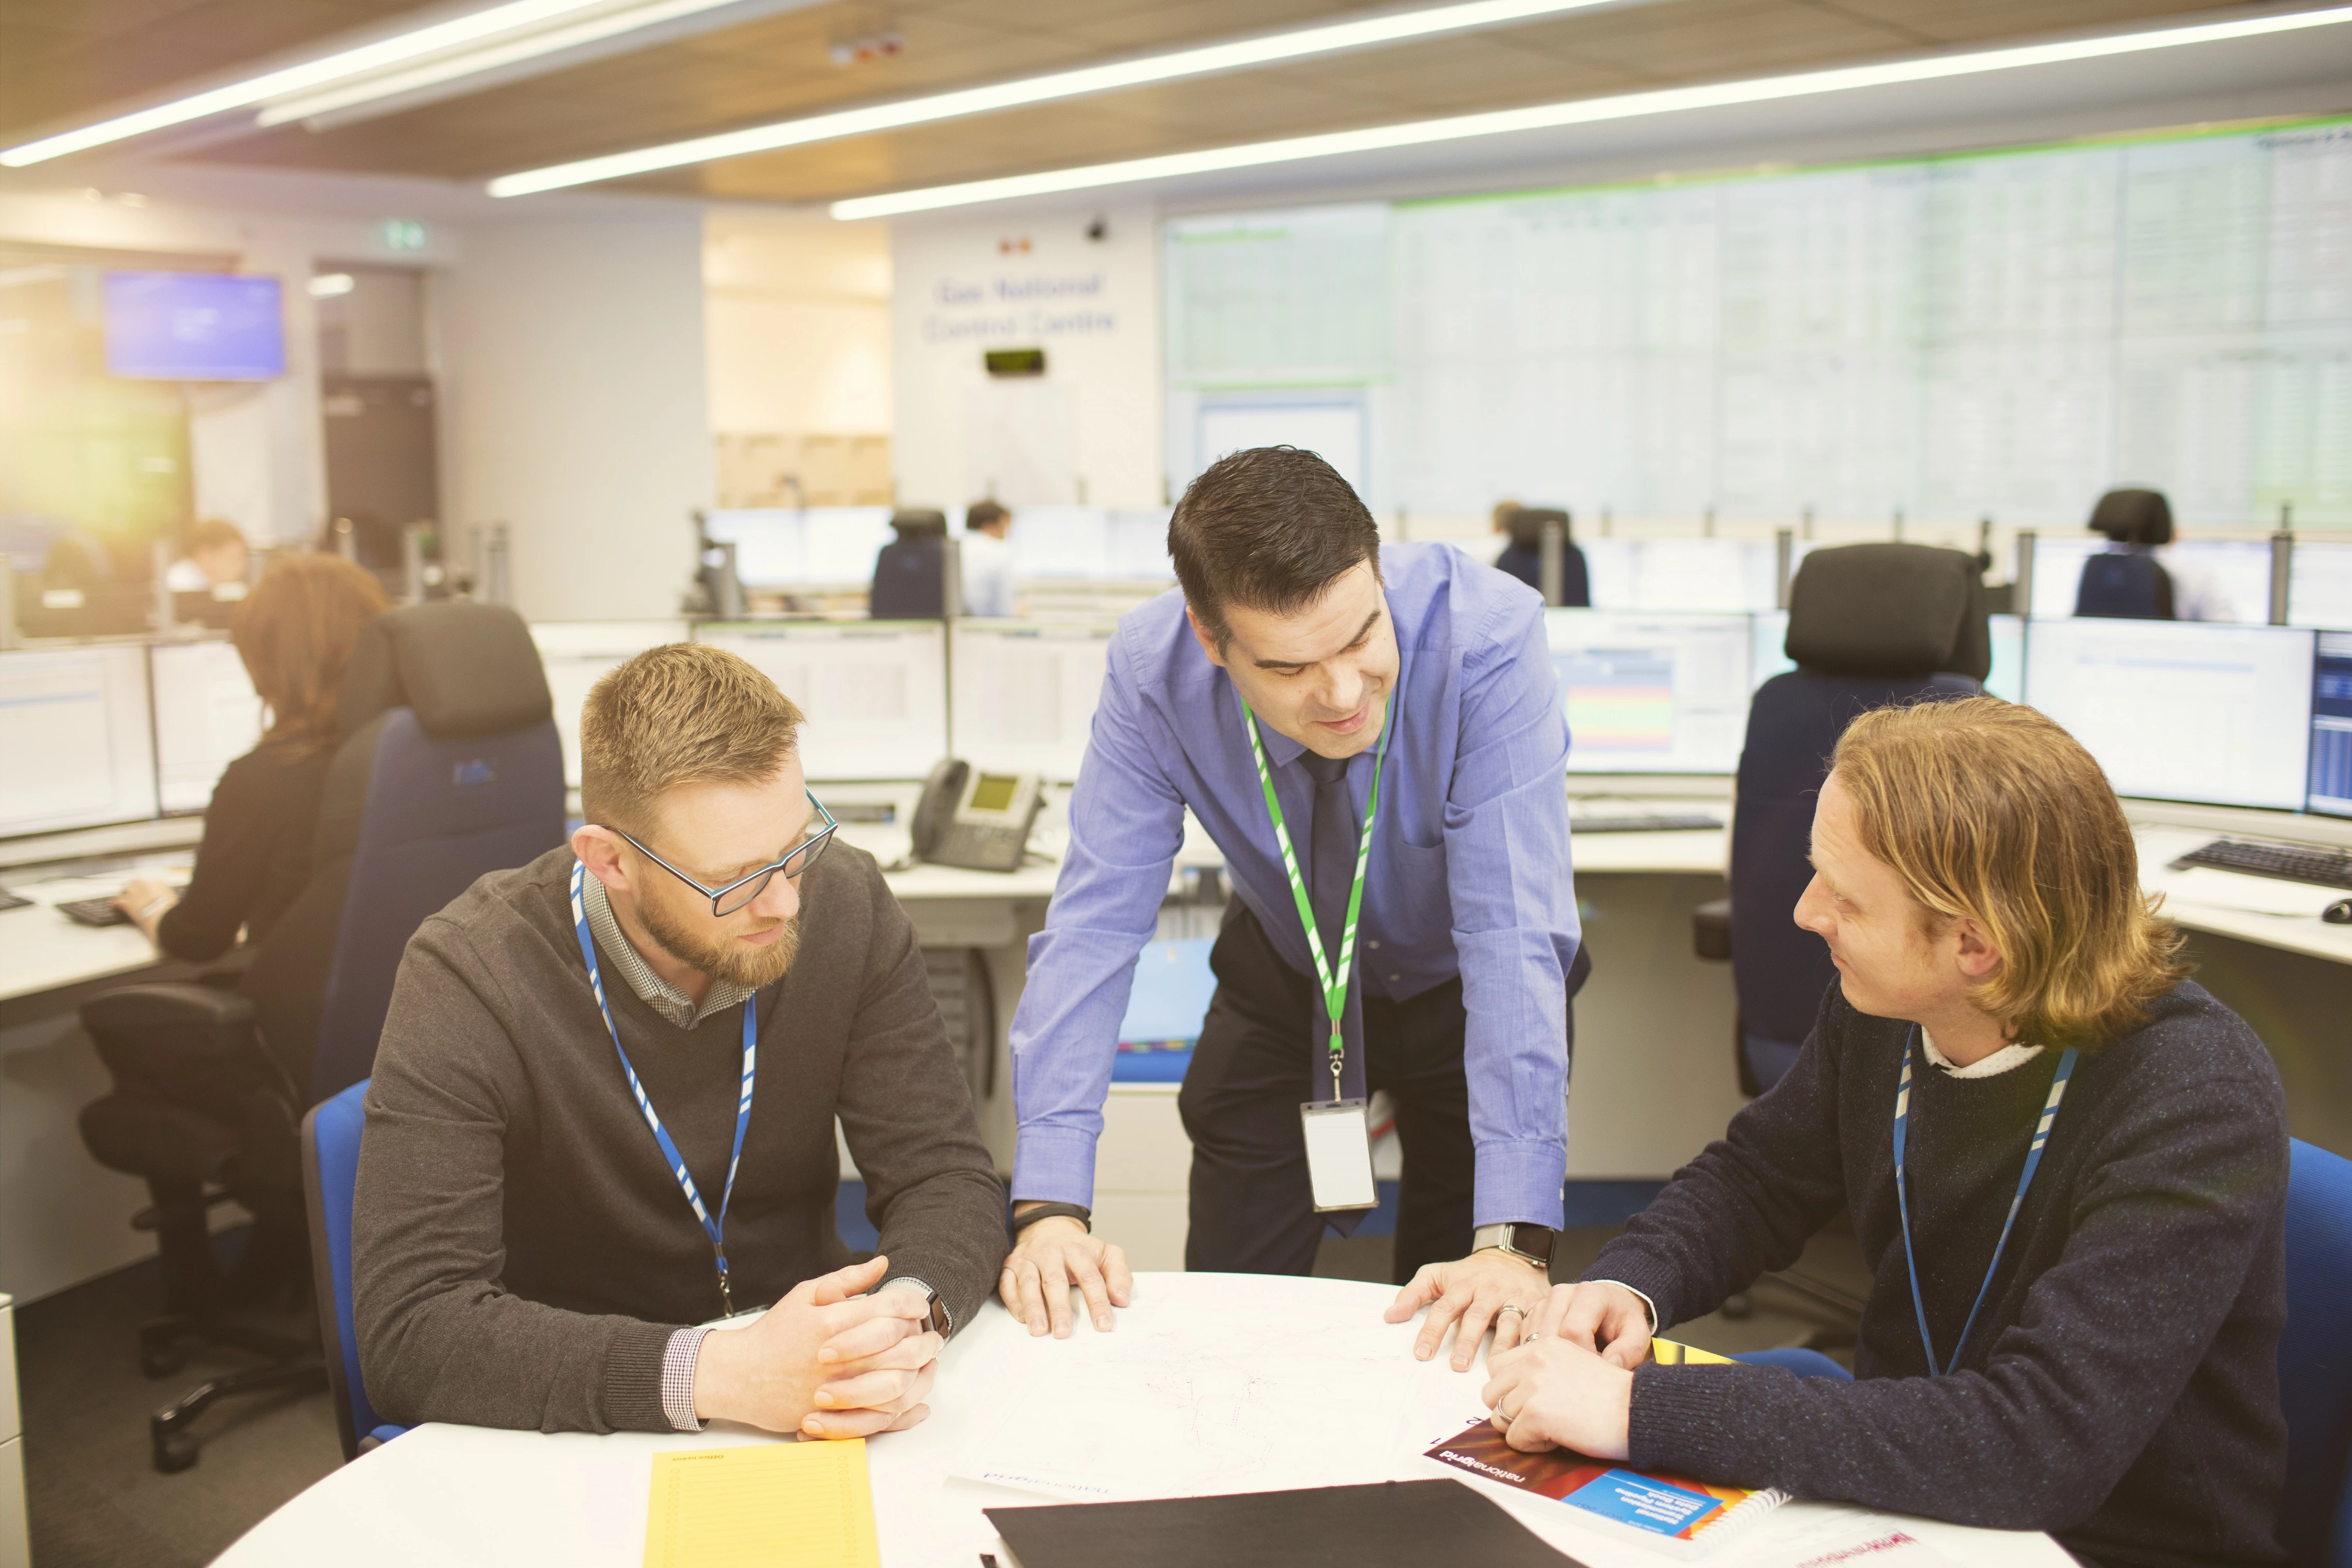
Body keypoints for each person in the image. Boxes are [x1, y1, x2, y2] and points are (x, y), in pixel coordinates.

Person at [1482, 698, 2289, 1568]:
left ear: (1974, 945)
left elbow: (2038, 1445)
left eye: (1845, 897)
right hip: (1906, 1484)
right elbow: (1759, 1176)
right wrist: (1632, 1283)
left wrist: (1638, 1412)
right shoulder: (1889, 1006)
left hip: (2103, 1538)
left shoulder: (2194, 1096)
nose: (1802, 912)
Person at [1002, 446, 1587, 1369]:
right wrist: (1049, 1209)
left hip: (1468, 989)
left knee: (1465, 1316)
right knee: (1229, 1308)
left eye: (1360, 637)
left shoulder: (1487, 637)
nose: (1344, 694)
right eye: (1288, 668)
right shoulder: (1154, 674)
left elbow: (1509, 932)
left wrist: (1512, 1241)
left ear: (1377, 571)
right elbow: (1094, 927)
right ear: (1211, 638)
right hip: (1291, 973)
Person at [353, 643, 1006, 1439]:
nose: (784, 903)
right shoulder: (471, 970)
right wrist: (722, 1371)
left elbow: (943, 1173)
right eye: (734, 881)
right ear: (612, 860)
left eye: (798, 846)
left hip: (815, 1384)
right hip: (578, 1419)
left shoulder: (846, 901)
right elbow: (413, 1330)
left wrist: (905, 1318)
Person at [115, 554, 389, 956]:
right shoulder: (414, 757)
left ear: (269, 662)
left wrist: (154, 903)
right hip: (404, 1003)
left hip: (296, 1010)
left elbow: (199, 939)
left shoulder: (264, 778)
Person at [962, 499, 1017, 618]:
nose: (1007, 535)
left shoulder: (953, 549)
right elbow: (1004, 614)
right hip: (985, 630)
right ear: (989, 527)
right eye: (1005, 529)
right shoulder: (999, 552)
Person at [165, 517, 250, 594]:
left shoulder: (209, 586)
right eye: (233, 559)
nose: (241, 569)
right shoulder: (181, 586)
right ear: (205, 556)